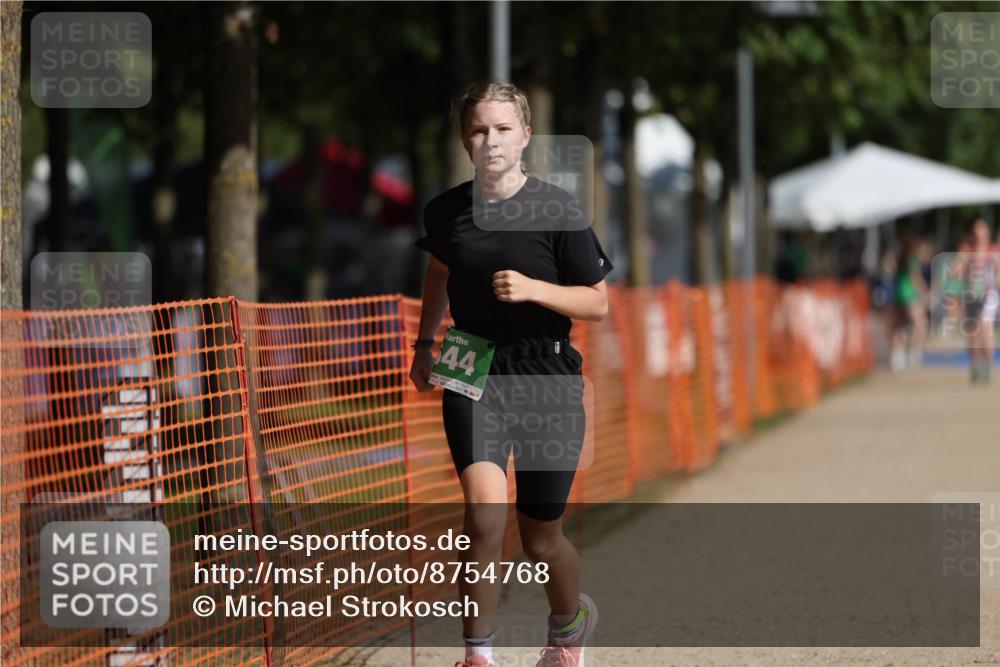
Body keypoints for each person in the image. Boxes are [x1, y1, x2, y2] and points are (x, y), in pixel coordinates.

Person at [409, 82, 611, 667]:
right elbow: (438, 271)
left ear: (525, 136)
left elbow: (597, 303)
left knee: (542, 534)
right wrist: (425, 342)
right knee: (482, 515)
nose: (489, 140)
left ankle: (569, 629)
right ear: (464, 138)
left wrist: (535, 290)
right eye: (477, 129)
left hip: (547, 371)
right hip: (471, 363)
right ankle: (479, 655)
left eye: (501, 129)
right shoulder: (445, 210)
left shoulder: (558, 209)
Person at [952, 218, 998, 384]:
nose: (980, 234)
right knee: (972, 331)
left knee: (984, 328)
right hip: (971, 295)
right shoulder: (967, 250)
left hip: (989, 295)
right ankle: (975, 365)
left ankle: (986, 367)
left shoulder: (993, 251)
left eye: (983, 229)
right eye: (977, 230)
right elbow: (955, 269)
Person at [890, 232, 928, 372]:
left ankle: (898, 356)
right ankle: (914, 354)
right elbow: (916, 279)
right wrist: (925, 293)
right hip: (909, 295)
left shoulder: (900, 258)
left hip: (899, 295)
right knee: (921, 324)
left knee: (900, 326)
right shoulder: (911, 260)